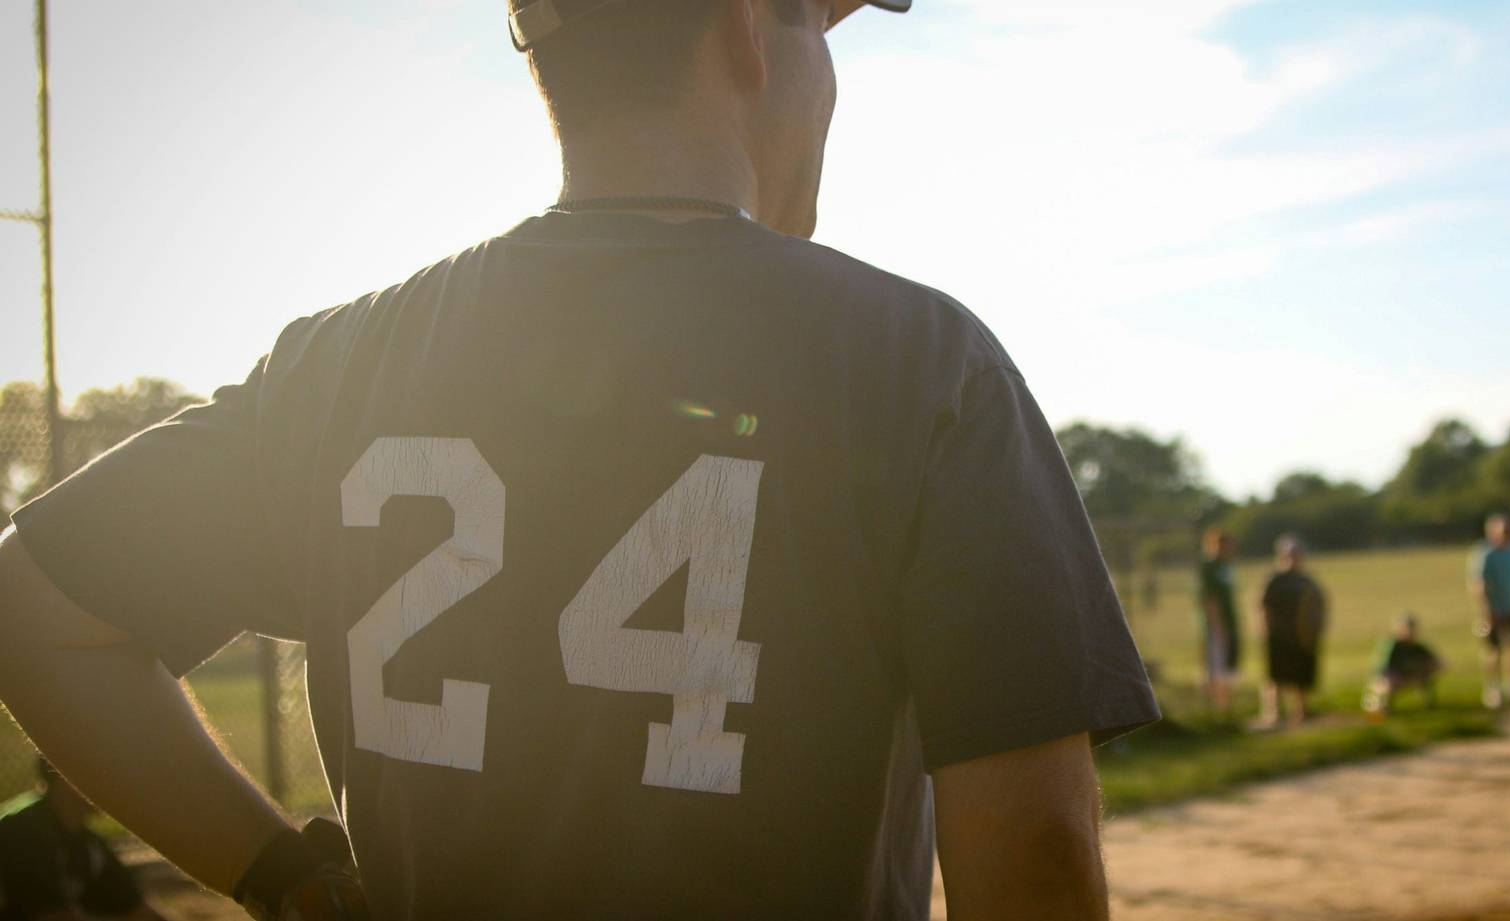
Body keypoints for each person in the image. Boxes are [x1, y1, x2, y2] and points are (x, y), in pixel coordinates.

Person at [0, 2, 1161, 919]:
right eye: (819, 23)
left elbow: (27, 610)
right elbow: (1036, 850)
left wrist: (284, 876)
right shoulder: (923, 365)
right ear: (746, 29)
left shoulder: (340, 363)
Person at [0, 760, 163, 921]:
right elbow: (50, 916)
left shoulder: (89, 844)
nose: (109, 787)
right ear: (66, 778)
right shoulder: (21, 832)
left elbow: (137, 908)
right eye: (98, 777)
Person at [1255, 535, 1326, 730]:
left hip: (1301, 636)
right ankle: (1273, 713)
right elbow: (1263, 606)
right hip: (1279, 635)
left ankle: (1301, 711)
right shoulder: (1274, 580)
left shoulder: (1306, 581)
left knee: (1300, 676)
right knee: (1275, 676)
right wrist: (1264, 629)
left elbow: (1318, 606)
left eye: (1297, 554)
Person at [1469, 513, 1510, 710]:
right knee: (1493, 650)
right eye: (1504, 531)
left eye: (1509, 531)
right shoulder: (1485, 554)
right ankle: (1493, 689)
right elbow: (1478, 584)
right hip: (1493, 611)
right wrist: (1486, 611)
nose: (1507, 535)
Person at [1196, 529, 1242, 712]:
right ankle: (1213, 709)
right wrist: (1218, 628)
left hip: (1229, 623)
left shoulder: (1226, 566)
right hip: (1216, 627)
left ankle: (1225, 708)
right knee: (1215, 669)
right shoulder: (1209, 567)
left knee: (1228, 667)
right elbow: (1210, 600)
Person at [1362, 614, 1440, 717]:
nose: (1410, 632)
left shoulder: (1416, 646)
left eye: (1412, 629)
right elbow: (1382, 668)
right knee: (1390, 683)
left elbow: (1436, 661)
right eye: (1407, 629)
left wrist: (1424, 667)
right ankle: (1383, 706)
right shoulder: (1392, 644)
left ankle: (1429, 704)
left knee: (1426, 674)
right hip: (1386, 678)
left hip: (1406, 676)